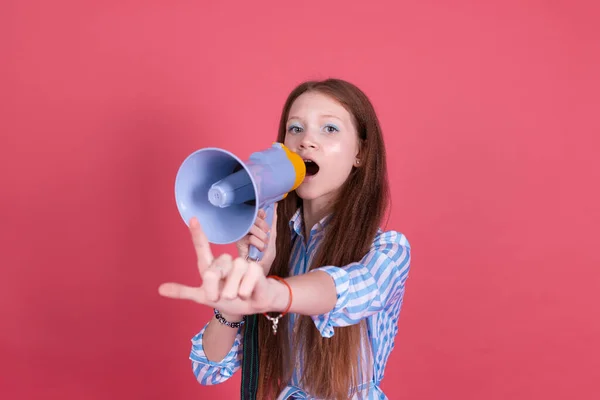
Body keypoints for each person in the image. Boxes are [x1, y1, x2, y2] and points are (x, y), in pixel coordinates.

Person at [159, 78, 412, 400]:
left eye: (329, 129)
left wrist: (275, 293)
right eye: (295, 129)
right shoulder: (276, 249)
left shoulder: (388, 250)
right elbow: (209, 369)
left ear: (360, 153)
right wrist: (237, 300)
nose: (306, 141)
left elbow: (352, 290)